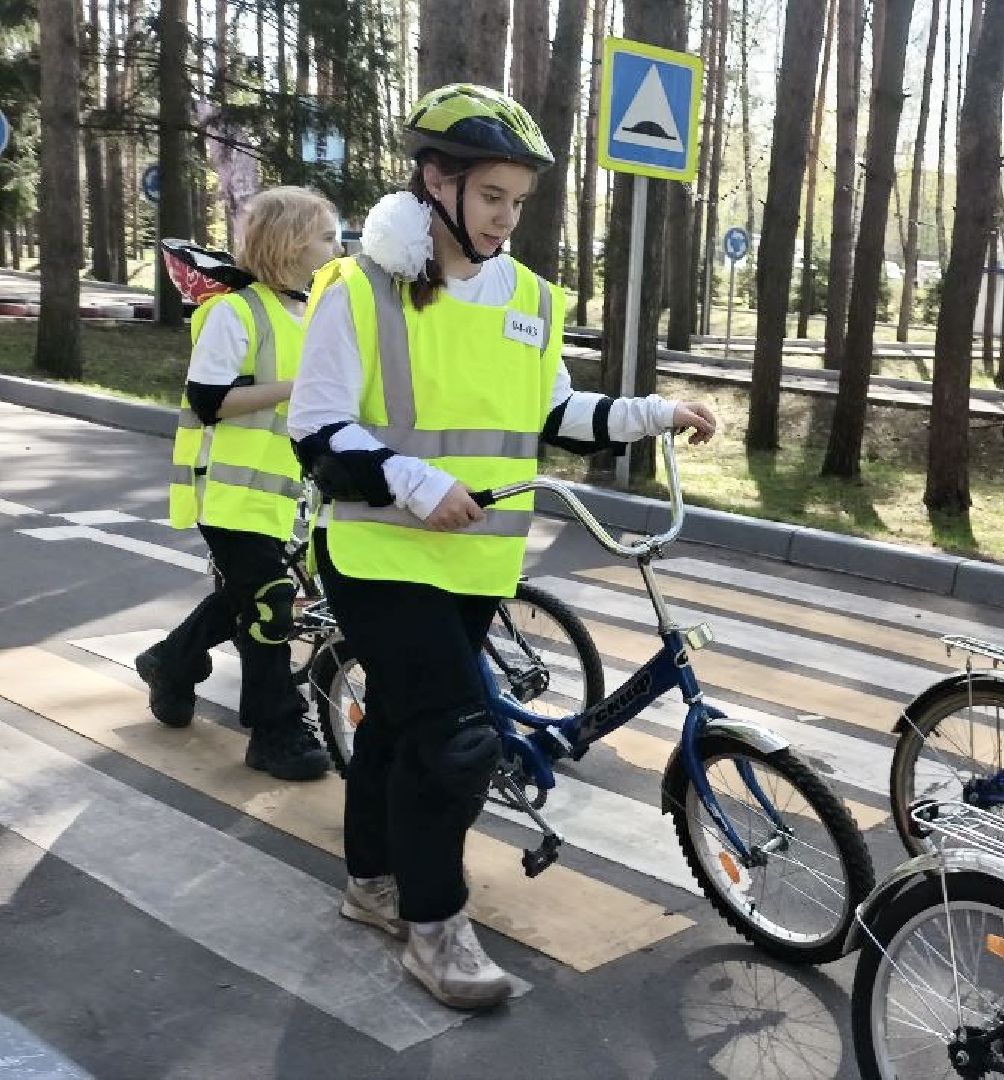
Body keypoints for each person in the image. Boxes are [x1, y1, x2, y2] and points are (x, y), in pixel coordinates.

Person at [288, 83, 718, 1011]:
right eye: (491, 198)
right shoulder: (357, 288)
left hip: (477, 558)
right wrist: (410, 478)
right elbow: (316, 427)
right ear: (434, 183)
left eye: (518, 202)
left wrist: (651, 413)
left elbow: (553, 408)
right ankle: (434, 930)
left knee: (403, 728)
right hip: (377, 554)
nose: (505, 219)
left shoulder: (528, 296)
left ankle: (371, 883)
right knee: (454, 741)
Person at [137, 188, 342, 782]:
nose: (338, 248)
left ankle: (171, 663)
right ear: (290, 243)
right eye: (327, 237)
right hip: (226, 491)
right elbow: (207, 402)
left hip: (280, 493)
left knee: (244, 597)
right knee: (271, 599)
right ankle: (275, 729)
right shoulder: (237, 312)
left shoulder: (309, 313)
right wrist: (297, 387)